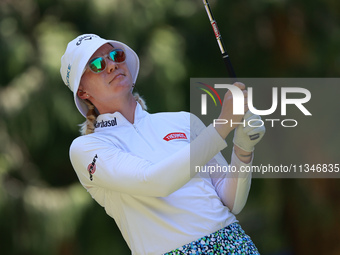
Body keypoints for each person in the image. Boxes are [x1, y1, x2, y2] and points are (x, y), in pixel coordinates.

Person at [60, 34, 265, 255]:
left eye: (115, 55)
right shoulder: (87, 148)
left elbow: (231, 201)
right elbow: (155, 181)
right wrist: (223, 125)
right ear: (82, 92)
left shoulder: (183, 120)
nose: (111, 65)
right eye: (97, 65)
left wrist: (243, 149)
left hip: (234, 243)